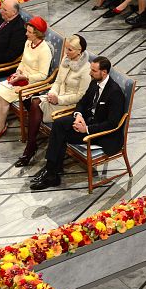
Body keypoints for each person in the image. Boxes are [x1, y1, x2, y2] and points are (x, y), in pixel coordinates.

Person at [29, 56, 126, 190]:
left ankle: (51, 171)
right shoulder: (94, 83)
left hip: (101, 133)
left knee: (60, 135)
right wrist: (78, 115)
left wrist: (86, 129)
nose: (90, 73)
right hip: (87, 121)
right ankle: (52, 170)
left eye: (94, 71)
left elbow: (112, 123)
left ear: (104, 72)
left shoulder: (115, 92)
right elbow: (82, 102)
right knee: (59, 123)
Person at [16, 34, 91, 168]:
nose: (66, 52)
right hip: (57, 97)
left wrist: (58, 100)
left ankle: (30, 147)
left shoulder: (86, 69)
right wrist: (53, 93)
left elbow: (81, 96)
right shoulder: (66, 60)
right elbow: (57, 82)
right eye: (66, 48)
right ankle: (31, 145)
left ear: (79, 51)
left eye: (70, 50)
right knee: (34, 101)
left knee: (35, 104)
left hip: (70, 104)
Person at [0, 16, 52, 141]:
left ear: (37, 34)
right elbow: (23, 61)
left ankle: (0, 126)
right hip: (20, 77)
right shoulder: (28, 42)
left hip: (33, 82)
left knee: (4, 98)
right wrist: (18, 71)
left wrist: (24, 76)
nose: (26, 34)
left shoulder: (44, 50)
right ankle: (2, 123)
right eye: (27, 31)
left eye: (29, 32)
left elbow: (43, 75)